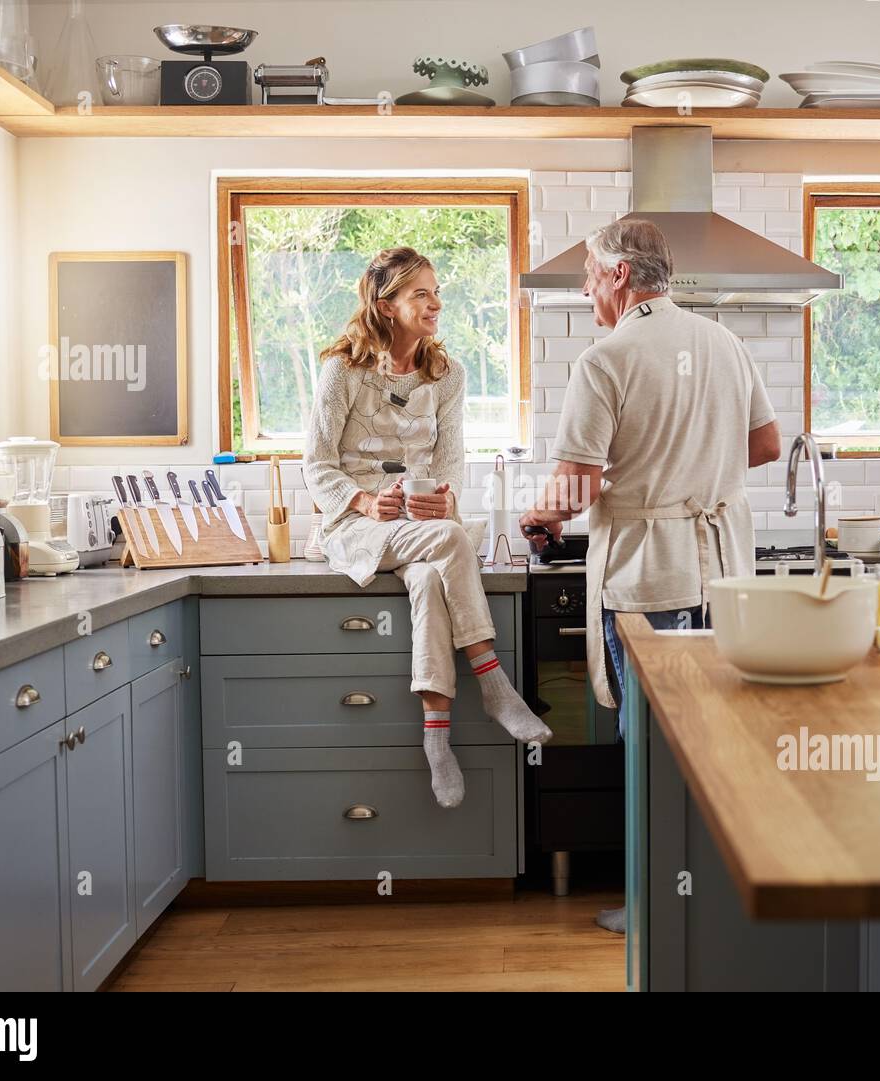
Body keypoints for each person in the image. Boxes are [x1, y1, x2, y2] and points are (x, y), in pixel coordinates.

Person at [519, 219, 781, 932]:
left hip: (648, 580)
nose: (582, 287)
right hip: (725, 577)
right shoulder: (725, 343)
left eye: (588, 274)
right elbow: (765, 445)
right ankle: (720, 901)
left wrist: (537, 514)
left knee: (656, 751)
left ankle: (658, 910)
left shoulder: (605, 359)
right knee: (720, 746)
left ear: (621, 278)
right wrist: (699, 467)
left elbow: (576, 487)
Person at [304, 247, 551, 809]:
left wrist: (444, 498)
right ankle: (494, 685)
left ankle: (435, 734)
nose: (436, 303)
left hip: (422, 528)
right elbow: (316, 464)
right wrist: (366, 501)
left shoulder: (447, 375)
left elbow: (449, 465)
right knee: (453, 540)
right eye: (421, 293)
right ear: (386, 304)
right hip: (357, 525)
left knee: (427, 581)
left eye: (436, 291)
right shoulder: (342, 370)